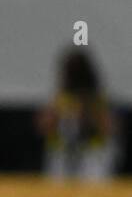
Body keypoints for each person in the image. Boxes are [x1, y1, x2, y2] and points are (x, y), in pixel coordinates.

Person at [36, 48, 121, 182]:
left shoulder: (97, 100)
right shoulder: (60, 100)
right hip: (62, 155)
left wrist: (90, 115)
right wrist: (60, 113)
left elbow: (110, 129)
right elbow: (43, 127)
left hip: (91, 156)